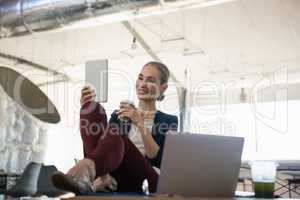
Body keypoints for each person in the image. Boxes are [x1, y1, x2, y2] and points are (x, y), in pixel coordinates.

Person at [52, 61, 178, 194]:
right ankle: (97, 177)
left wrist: (139, 122)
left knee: (114, 132)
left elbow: (157, 158)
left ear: (163, 88)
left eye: (150, 80)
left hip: (149, 180)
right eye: (140, 78)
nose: (142, 84)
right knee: (92, 109)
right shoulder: (120, 115)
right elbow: (100, 145)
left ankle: (83, 172)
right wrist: (87, 105)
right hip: (116, 177)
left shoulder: (169, 121)